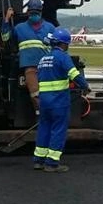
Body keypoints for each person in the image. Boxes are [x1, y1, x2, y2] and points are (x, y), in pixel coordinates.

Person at [33, 27, 90, 172]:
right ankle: (52, 163)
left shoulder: (43, 59)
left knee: (44, 128)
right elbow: (74, 75)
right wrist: (85, 86)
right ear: (64, 44)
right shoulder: (63, 57)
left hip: (44, 101)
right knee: (58, 130)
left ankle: (39, 160)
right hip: (58, 101)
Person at [0, 0, 54, 113]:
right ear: (28, 12)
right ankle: (41, 114)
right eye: (32, 12)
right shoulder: (19, 28)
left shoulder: (50, 28)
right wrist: (6, 19)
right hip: (30, 68)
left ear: (41, 12)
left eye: (36, 12)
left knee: (48, 94)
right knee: (35, 94)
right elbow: (5, 38)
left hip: (47, 67)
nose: (34, 15)